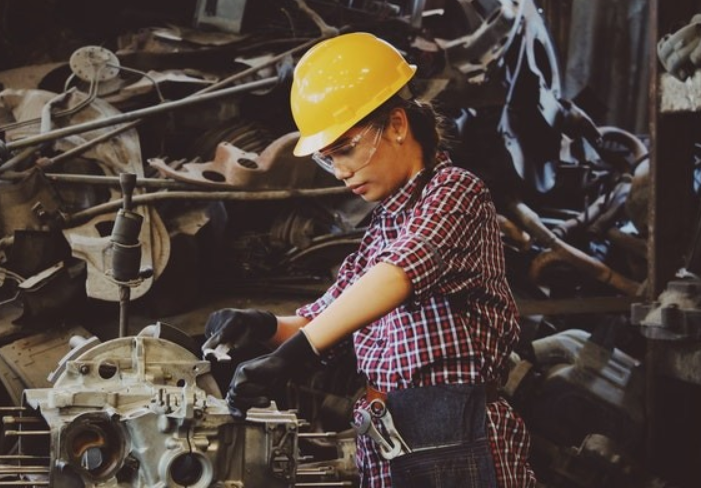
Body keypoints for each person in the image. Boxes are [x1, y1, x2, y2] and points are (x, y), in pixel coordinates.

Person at [202, 32, 536, 488]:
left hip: (454, 436)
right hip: (388, 436)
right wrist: (261, 325)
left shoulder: (456, 192)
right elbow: (326, 320)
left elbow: (399, 274)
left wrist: (294, 355)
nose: (340, 172)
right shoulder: (381, 229)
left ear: (397, 125)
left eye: (346, 149)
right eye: (327, 159)